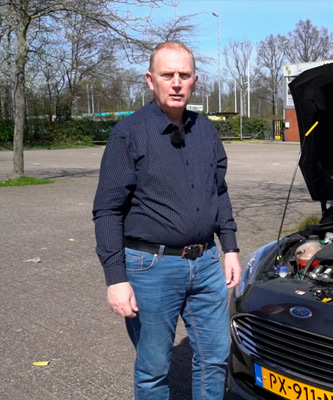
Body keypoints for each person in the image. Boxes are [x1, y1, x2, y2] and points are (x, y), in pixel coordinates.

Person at [92, 41, 241, 400]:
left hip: (206, 265)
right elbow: (107, 211)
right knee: (153, 370)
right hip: (151, 268)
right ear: (150, 80)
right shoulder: (129, 134)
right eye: (167, 75)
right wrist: (116, 279)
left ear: (194, 81)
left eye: (184, 75)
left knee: (214, 359)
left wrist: (230, 248)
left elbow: (217, 192)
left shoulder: (206, 131)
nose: (176, 82)